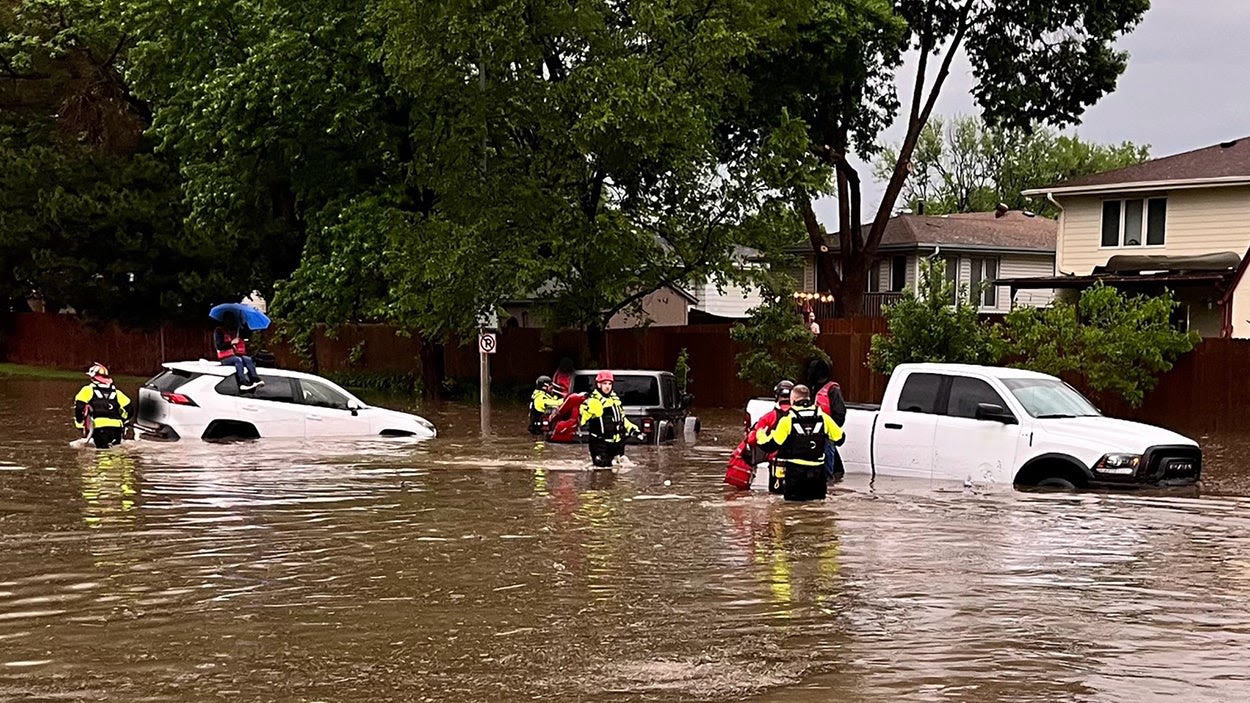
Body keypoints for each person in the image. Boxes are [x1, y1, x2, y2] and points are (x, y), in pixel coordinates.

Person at [755, 384, 844, 501]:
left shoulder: (787, 420)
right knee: (818, 510)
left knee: (793, 510)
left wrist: (760, 434)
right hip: (818, 475)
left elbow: (770, 446)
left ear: (793, 400)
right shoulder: (823, 417)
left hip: (796, 475)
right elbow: (840, 439)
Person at [725, 379, 793, 491]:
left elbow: (752, 439)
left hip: (776, 461)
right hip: (801, 464)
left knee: (776, 495)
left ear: (777, 396)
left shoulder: (769, 416)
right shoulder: (804, 416)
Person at [578, 370, 640, 467]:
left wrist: (633, 429)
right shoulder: (593, 402)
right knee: (601, 471)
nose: (607, 386)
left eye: (610, 384)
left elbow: (622, 419)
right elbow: (581, 418)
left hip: (616, 444)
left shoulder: (614, 400)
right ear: (598, 385)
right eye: (604, 383)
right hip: (600, 444)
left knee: (616, 473)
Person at [806, 358, 847, 480]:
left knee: (832, 469)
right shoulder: (811, 389)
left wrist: (829, 431)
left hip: (826, 435)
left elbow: (840, 414)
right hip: (811, 434)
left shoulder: (832, 390)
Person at [74, 363, 132, 449]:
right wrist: (124, 420)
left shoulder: (87, 390)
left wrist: (79, 422)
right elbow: (130, 408)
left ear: (92, 377)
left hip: (100, 427)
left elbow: (79, 407)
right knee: (116, 454)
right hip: (117, 428)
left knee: (103, 455)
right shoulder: (116, 392)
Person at [214, 313, 264, 391]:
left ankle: (254, 379)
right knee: (238, 360)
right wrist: (231, 343)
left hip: (234, 354)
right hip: (225, 358)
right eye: (229, 321)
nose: (231, 323)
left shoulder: (234, 331)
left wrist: (243, 323)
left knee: (248, 359)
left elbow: (246, 334)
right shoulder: (219, 331)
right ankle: (242, 382)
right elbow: (219, 346)